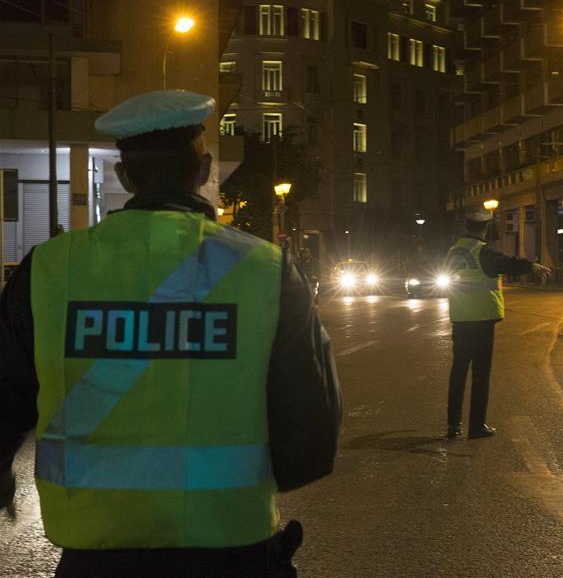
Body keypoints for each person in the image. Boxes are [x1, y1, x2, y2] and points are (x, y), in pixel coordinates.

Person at [0, 90, 341, 578]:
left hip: (94, 556)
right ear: (203, 171)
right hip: (233, 548)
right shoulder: (265, 268)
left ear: (123, 176)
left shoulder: (51, 267)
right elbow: (310, 445)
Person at [444, 210, 550, 439]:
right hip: (481, 319)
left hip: (460, 318)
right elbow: (506, 263)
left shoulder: (453, 251)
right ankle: (476, 425)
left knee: (458, 372)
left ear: (466, 227)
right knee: (481, 374)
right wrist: (531, 266)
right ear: (484, 229)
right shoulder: (482, 251)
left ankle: (453, 425)